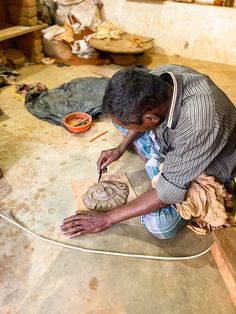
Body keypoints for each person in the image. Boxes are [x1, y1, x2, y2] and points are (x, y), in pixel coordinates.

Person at [61, 64, 236, 239]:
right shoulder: (160, 78)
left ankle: (161, 167)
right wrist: (120, 148)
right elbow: (135, 114)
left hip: (210, 162)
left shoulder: (199, 124)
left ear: (151, 118)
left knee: (160, 226)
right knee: (119, 118)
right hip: (176, 141)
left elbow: (167, 193)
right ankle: (158, 163)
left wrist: (107, 218)